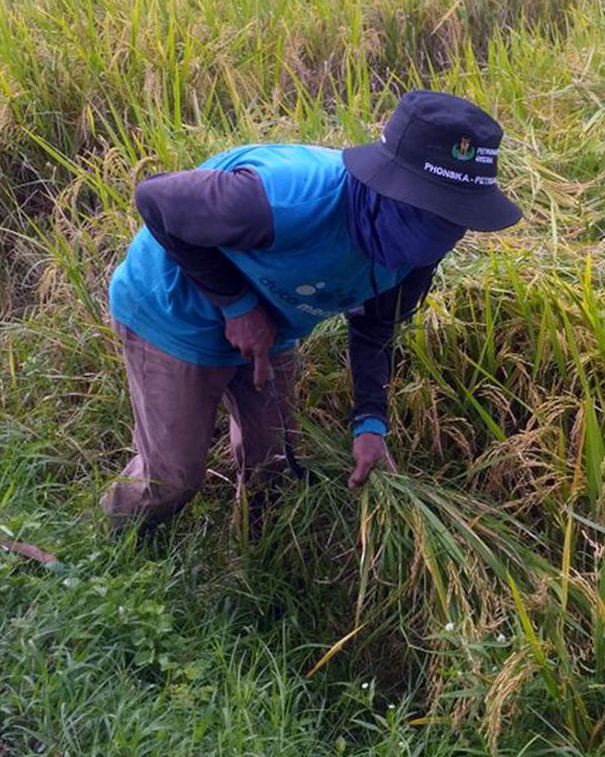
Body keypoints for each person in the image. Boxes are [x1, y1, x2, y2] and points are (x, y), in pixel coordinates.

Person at [101, 90, 522, 532]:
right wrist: (239, 306)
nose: (442, 235)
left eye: (457, 219)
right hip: (171, 312)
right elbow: (155, 200)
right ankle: (112, 551)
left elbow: (375, 328)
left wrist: (370, 424)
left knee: (275, 463)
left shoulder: (418, 249)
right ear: (389, 188)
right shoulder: (282, 200)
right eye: (432, 212)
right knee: (172, 478)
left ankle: (257, 557)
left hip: (275, 323)